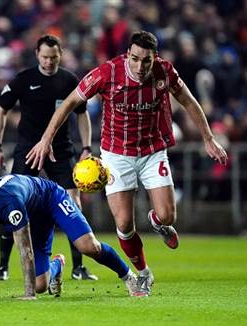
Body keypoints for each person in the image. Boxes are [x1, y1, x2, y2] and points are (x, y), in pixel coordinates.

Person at [25, 31, 228, 296]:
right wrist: (46, 139)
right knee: (123, 224)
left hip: (152, 151)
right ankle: (143, 274)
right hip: (116, 156)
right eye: (135, 59)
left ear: (155, 57)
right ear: (127, 55)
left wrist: (209, 139)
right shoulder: (107, 73)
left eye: (146, 60)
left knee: (168, 215)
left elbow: (188, 101)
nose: (140, 66)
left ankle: (157, 222)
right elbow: (71, 102)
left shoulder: (164, 71)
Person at [0, 174, 143, 299]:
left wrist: (28, 295)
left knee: (88, 247)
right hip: (32, 213)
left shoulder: (8, 202)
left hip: (51, 198)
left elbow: (25, 249)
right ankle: (57, 264)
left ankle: (129, 277)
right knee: (41, 285)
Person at [0, 34, 96, 281]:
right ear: (37, 54)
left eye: (54, 57)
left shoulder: (69, 80)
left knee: (73, 203)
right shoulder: (23, 80)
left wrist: (87, 147)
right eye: (45, 57)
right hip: (28, 149)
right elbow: (0, 111)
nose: (49, 62)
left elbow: (82, 114)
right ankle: (2, 267)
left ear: (61, 54)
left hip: (60, 149)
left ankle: (78, 267)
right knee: (12, 203)